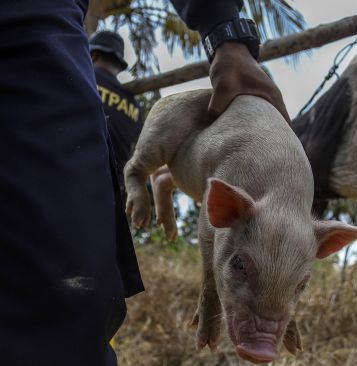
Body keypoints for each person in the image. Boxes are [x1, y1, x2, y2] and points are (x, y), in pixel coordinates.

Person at [0, 1, 288, 365]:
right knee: (66, 304)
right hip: (87, 190)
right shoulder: (121, 101)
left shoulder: (75, 82)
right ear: (117, 65)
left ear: (91, 54)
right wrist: (223, 28)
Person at [90, 30, 143, 199]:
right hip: (111, 196)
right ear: (118, 66)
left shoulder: (83, 78)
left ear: (93, 55)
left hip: (66, 177)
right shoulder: (135, 108)